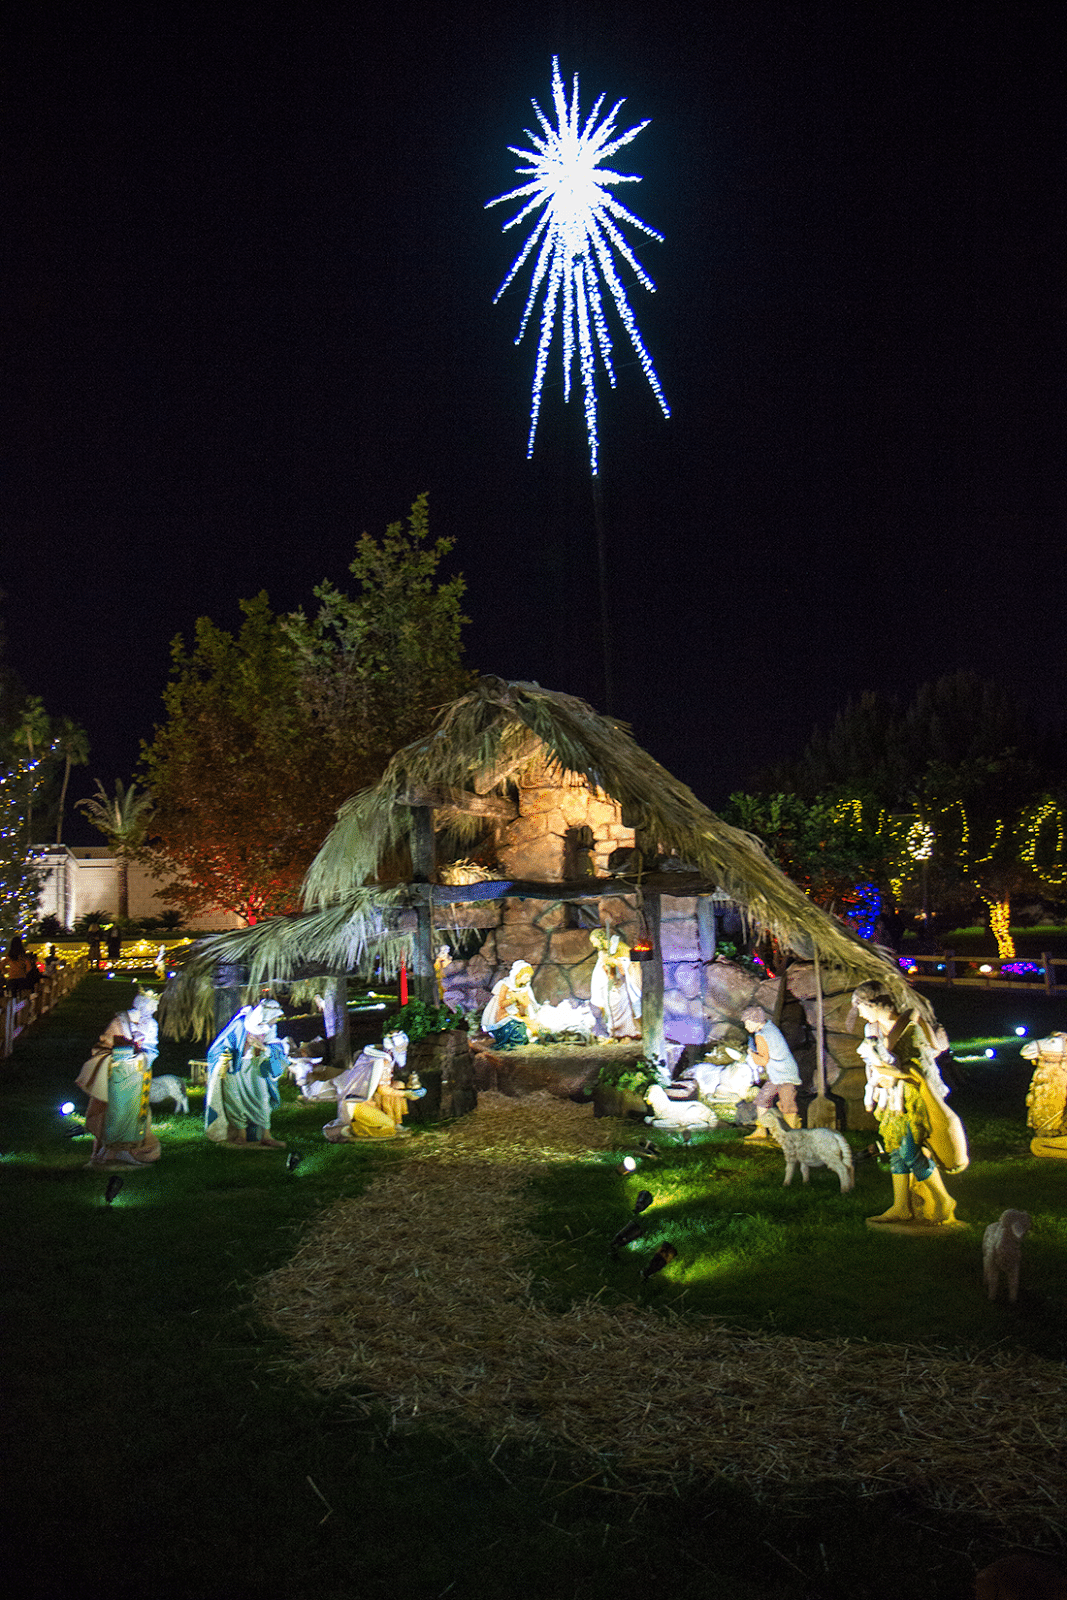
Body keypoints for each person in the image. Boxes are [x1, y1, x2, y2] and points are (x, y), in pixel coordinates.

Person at [851, 984, 965, 1225]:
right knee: (896, 1151)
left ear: (873, 1004)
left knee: (910, 1151)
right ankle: (901, 1205)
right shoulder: (873, 1028)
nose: (860, 1013)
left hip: (914, 1099)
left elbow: (921, 1065)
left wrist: (893, 1072)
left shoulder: (909, 1027)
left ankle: (943, 1199)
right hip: (891, 1099)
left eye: (860, 1007)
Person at [75, 988, 162, 1168]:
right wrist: (120, 1057)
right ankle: (108, 1152)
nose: (154, 1010)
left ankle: (129, 1151)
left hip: (137, 1077)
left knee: (135, 1114)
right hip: (117, 1077)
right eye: (153, 1006)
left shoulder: (151, 1024)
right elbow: (104, 1046)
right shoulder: (120, 1021)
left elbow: (151, 1049)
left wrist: (142, 1057)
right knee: (112, 1113)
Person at [204, 998, 289, 1148]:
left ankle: (266, 1135)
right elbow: (222, 1044)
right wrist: (231, 1054)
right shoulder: (241, 1023)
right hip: (235, 1067)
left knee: (262, 1098)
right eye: (274, 1017)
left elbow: (274, 1047)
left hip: (257, 1067)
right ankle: (241, 1134)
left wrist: (263, 1048)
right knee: (234, 1100)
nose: (275, 1021)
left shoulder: (270, 1028)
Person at [741, 1004, 802, 1139]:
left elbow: (763, 1060)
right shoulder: (770, 1027)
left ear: (755, 1021)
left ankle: (789, 1135)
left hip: (783, 1074)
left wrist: (752, 1054)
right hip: (781, 1073)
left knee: (782, 1103)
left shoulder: (761, 1036)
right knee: (767, 1100)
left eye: (747, 1023)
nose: (746, 1027)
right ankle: (762, 1131)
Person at [589, 929, 642, 1039]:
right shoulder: (602, 952)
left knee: (624, 1008)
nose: (594, 945)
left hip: (622, 984)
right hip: (611, 984)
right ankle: (614, 1033)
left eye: (594, 941)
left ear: (601, 939)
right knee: (611, 1006)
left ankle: (628, 1033)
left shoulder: (619, 946)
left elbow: (629, 961)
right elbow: (602, 968)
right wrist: (607, 963)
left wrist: (616, 962)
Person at [480, 960, 542, 1048]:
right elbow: (501, 1004)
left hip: (519, 1016)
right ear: (518, 975)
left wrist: (521, 999)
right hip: (505, 1017)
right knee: (518, 1031)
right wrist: (513, 999)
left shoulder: (525, 988)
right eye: (526, 976)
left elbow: (526, 1004)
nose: (528, 979)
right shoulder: (505, 985)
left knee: (535, 1029)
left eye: (529, 977)